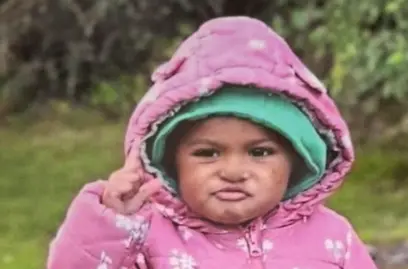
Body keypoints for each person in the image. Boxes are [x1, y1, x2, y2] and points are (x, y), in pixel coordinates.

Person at [47, 16, 378, 269]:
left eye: (260, 152)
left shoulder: (333, 238)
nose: (233, 171)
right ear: (169, 162)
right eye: (207, 153)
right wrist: (109, 222)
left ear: (298, 160)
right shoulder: (145, 236)